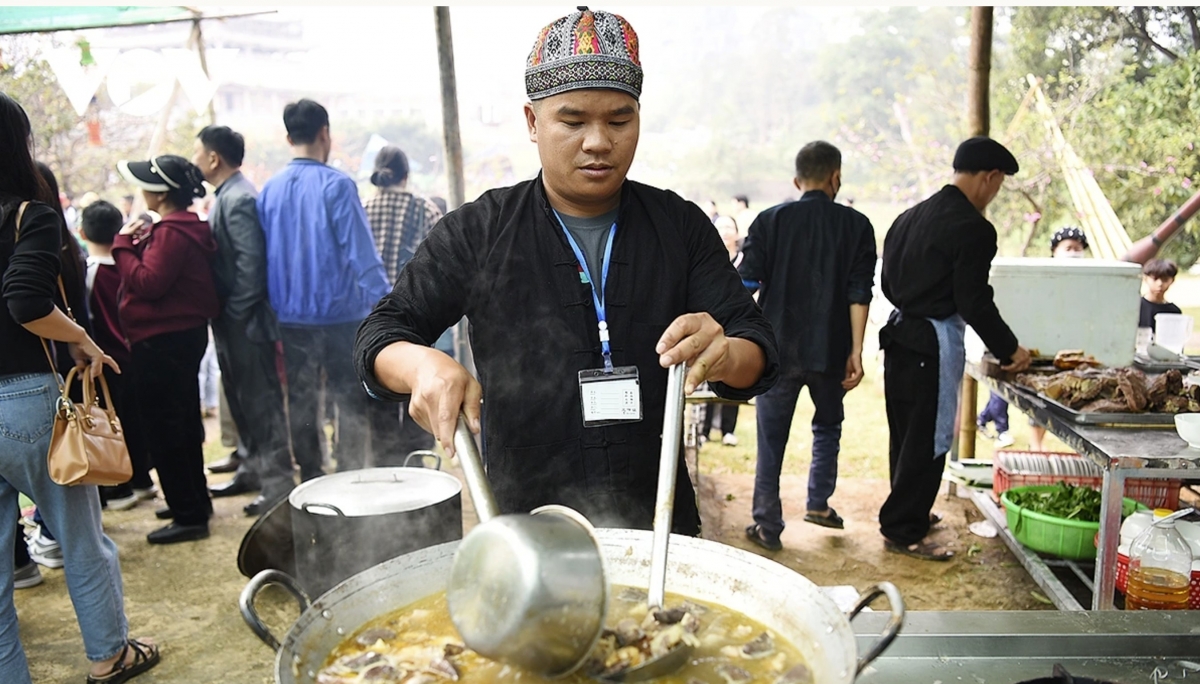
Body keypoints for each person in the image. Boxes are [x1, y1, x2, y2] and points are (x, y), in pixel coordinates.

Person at [354, 7, 778, 534]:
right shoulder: (479, 230)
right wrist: (420, 365)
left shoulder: (679, 225)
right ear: (533, 123)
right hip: (527, 528)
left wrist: (727, 353)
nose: (598, 141)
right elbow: (382, 333)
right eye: (573, 122)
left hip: (660, 524)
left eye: (619, 121)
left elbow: (758, 347)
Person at [1, 91, 161, 684]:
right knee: (81, 541)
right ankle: (109, 655)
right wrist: (81, 339)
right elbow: (25, 302)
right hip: (26, 402)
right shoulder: (30, 215)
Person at [879, 136, 1032, 561]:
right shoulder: (973, 228)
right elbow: (974, 301)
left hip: (899, 337)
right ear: (990, 177)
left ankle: (909, 512)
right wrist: (1009, 349)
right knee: (928, 439)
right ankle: (903, 528)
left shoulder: (909, 217)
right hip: (931, 343)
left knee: (905, 433)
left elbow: (887, 283)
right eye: (998, 184)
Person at [738, 141, 877, 551]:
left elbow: (745, 284)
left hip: (777, 349)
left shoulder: (770, 221)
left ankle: (767, 524)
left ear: (797, 181)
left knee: (770, 438)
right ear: (836, 177)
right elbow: (859, 293)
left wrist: (741, 338)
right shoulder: (857, 226)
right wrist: (856, 350)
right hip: (830, 351)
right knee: (828, 425)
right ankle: (818, 502)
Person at [257, 99, 391, 477]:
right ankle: (350, 475)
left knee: (301, 402)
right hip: (342, 317)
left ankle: (312, 476)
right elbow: (362, 255)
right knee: (348, 399)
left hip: (290, 318)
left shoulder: (269, 190)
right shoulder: (338, 185)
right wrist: (387, 306)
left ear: (288, 138)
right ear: (325, 134)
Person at [114, 154, 220, 544]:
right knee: (183, 421)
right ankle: (191, 501)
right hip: (181, 337)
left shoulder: (172, 233)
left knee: (164, 427)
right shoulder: (182, 227)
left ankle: (188, 514)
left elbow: (148, 282)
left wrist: (122, 245)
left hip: (162, 341)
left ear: (159, 194)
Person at [192, 124, 295, 516]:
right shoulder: (228, 194)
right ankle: (251, 470)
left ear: (213, 157)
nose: (195, 160)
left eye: (197, 152)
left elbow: (252, 265)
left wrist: (234, 313)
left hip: (247, 324)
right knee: (242, 402)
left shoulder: (238, 198)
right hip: (233, 322)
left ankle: (278, 485)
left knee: (261, 405)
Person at [362, 145, 445, 463]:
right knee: (416, 384)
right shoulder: (425, 209)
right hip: (415, 316)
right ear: (406, 175)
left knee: (379, 387)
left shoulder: (363, 209)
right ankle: (417, 460)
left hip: (370, 321)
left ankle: (386, 463)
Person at [978, 226, 1090, 451]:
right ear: (1054, 250)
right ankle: (1025, 439)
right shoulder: (1040, 275)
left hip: (1070, 349)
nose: (1073, 253)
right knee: (1027, 396)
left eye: (1078, 249)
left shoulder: (1088, 278)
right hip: (1032, 346)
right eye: (1068, 248)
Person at [79, 200, 158, 510]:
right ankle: (142, 480)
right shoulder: (129, 265)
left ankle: (120, 488)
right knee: (136, 419)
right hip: (135, 354)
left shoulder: (89, 273)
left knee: (111, 423)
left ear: (82, 232)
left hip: (105, 359)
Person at [701, 215, 744, 447]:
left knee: (733, 376)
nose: (726, 231)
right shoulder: (708, 259)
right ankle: (705, 430)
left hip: (737, 326)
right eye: (721, 227)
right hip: (711, 324)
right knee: (709, 375)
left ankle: (728, 429)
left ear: (737, 232)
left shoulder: (745, 260)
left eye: (729, 227)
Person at [1139, 258, 1182, 333]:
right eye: (1155, 279)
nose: (1160, 284)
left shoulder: (1174, 312)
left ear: (1172, 280)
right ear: (1145, 278)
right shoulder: (1136, 306)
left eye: (1165, 279)